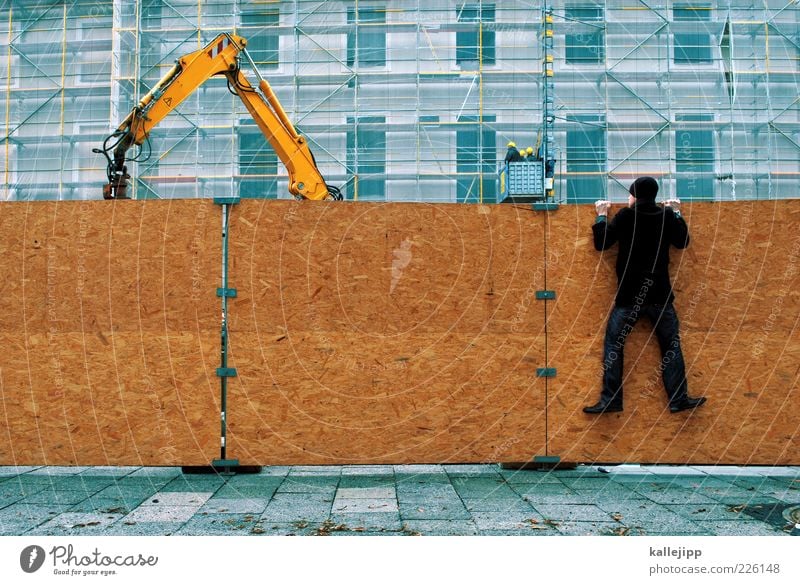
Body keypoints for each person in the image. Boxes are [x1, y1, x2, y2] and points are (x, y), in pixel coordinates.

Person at [584, 176, 707, 414]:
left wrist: (601, 215)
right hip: (660, 296)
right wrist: (677, 212)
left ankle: (611, 400)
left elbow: (601, 244)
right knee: (671, 346)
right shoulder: (666, 217)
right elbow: (682, 242)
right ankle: (679, 399)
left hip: (629, 297)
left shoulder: (626, 217)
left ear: (634, 196)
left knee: (613, 346)